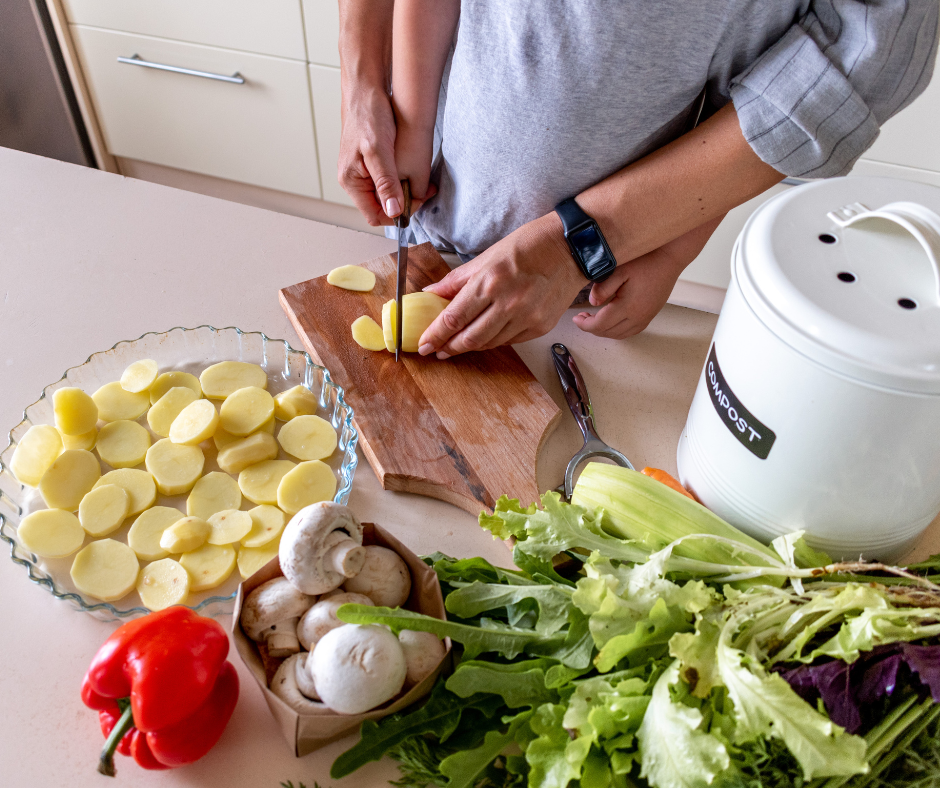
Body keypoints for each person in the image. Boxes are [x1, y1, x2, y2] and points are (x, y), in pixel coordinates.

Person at [338, 2, 938, 359]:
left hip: (597, 283)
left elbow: (825, 75)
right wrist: (386, 98)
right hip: (434, 205)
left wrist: (658, 243)